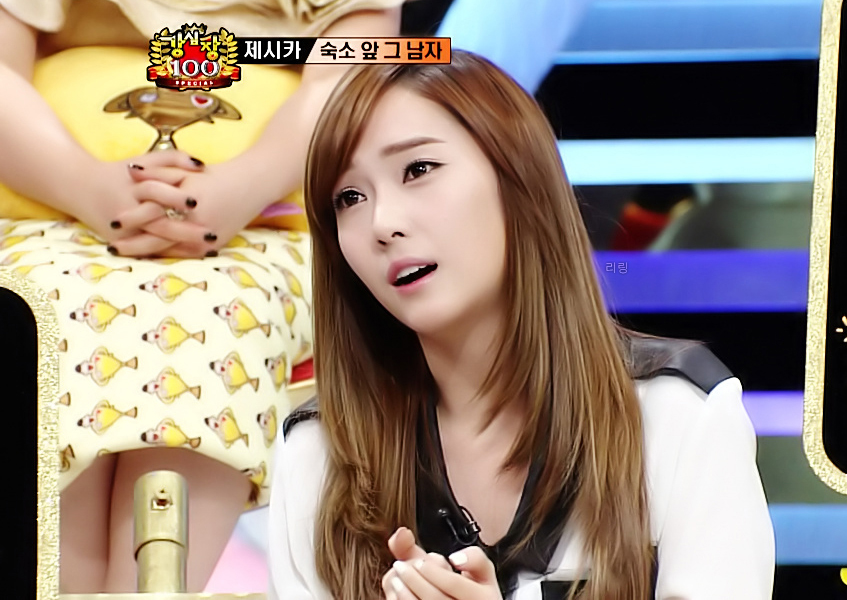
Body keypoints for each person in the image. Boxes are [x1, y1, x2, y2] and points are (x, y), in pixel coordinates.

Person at [268, 50, 775, 599]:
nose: (382, 223)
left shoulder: (677, 414)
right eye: (349, 198)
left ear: (518, 176)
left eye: (418, 170)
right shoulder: (316, 453)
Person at [0, 0, 407, 593]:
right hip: (46, 215)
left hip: (264, 228)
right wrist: (88, 187)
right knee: (41, 320)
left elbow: (351, 73)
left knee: (213, 319)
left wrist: (238, 188)